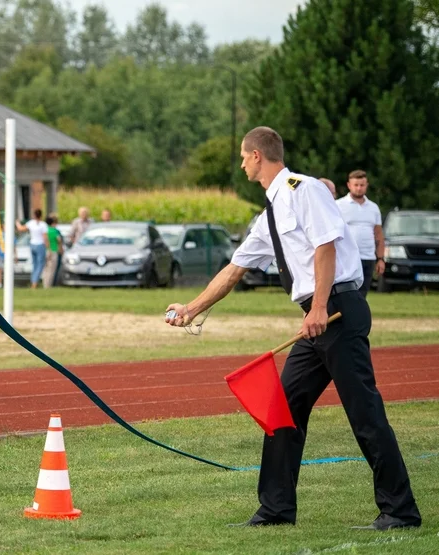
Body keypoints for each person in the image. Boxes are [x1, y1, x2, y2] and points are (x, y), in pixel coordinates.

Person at [166, 127, 421, 531]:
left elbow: (326, 246)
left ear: (256, 156)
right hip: (316, 318)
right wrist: (191, 309)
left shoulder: (304, 190)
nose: (241, 163)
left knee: (365, 413)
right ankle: (276, 510)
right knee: (281, 411)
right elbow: (235, 269)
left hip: (337, 310)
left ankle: (400, 511)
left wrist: (319, 306)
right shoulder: (269, 213)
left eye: (242, 156)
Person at [336, 170, 384, 297]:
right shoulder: (339, 205)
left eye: (362, 185)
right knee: (347, 292)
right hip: (347, 257)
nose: (359, 188)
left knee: (362, 294)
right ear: (349, 185)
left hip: (368, 257)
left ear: (366, 185)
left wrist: (380, 258)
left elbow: (378, 234)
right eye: (356, 185)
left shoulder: (373, 208)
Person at [16, 209, 48, 289]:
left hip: (32, 244)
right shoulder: (43, 224)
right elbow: (45, 237)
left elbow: (20, 228)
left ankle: (33, 281)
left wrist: (17, 222)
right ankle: (35, 282)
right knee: (40, 264)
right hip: (40, 245)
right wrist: (47, 246)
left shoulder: (31, 223)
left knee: (34, 264)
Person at [42, 215, 64, 288]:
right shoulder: (54, 231)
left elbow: (45, 240)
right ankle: (49, 285)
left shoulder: (45, 230)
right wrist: (61, 248)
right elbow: (59, 240)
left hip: (45, 251)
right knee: (51, 270)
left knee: (45, 269)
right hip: (53, 250)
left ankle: (44, 284)